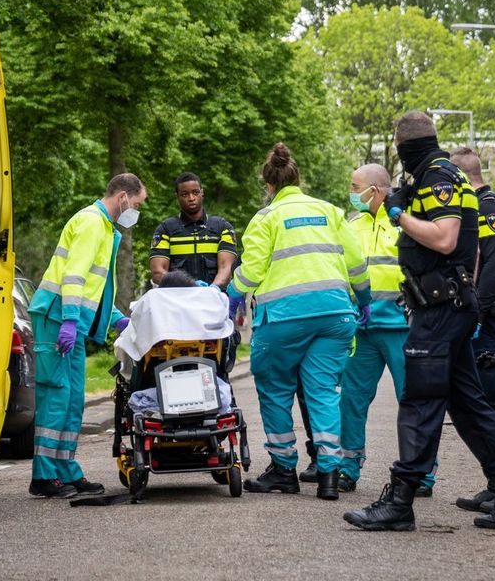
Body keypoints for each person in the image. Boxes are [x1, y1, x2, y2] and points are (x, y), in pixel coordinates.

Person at [343, 111, 495, 531]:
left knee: (419, 400)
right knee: (469, 405)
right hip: (443, 305)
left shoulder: (437, 176)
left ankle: (400, 501)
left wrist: (400, 217)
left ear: (404, 145)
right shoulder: (434, 175)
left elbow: (446, 238)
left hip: (440, 309)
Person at [227, 143, 371, 499]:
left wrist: (231, 292)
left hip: (285, 318)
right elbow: (356, 263)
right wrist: (363, 299)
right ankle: (329, 475)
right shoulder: (330, 211)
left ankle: (284, 469)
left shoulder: (266, 218)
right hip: (336, 315)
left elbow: (254, 270)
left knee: (275, 388)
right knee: (323, 391)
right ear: (297, 179)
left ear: (269, 186)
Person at [297, 164, 438, 496]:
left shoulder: (406, 223)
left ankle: (422, 474)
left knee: (414, 400)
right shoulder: (351, 225)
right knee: (352, 401)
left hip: (403, 327)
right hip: (362, 330)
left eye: (354, 186)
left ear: (375, 190)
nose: (351, 192)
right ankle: (347, 467)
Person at [27, 173, 148, 498]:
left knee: (72, 401)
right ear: (123, 197)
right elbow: (74, 277)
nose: (136, 211)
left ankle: (66, 470)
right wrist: (68, 320)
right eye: (137, 204)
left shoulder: (105, 229)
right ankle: (44, 476)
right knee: (57, 397)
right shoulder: (92, 222)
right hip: (57, 318)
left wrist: (116, 320)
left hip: (70, 322)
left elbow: (93, 291)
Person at [448, 146, 495, 513]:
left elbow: (492, 271)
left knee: (491, 405)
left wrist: (474, 316)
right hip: (488, 320)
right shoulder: (482, 208)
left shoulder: (491, 211)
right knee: (481, 402)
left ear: (462, 178)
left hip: (492, 322)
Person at [149, 172, 238, 289]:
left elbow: (226, 267)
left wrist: (213, 289)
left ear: (202, 192)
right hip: (177, 301)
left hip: (213, 300)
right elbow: (158, 272)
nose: (191, 198)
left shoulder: (222, 227)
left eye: (195, 192)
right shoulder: (165, 230)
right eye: (185, 194)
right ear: (177, 196)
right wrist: (190, 285)